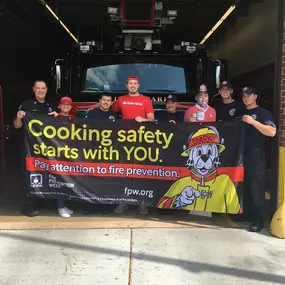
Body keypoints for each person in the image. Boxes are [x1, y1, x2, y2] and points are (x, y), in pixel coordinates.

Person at [13, 80, 58, 217]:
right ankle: (28, 207)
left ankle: (43, 203)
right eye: (38, 88)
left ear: (46, 89)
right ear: (33, 89)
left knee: (47, 174)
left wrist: (57, 118)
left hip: (46, 149)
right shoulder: (26, 104)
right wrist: (19, 117)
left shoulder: (51, 105)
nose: (40, 90)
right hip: (29, 147)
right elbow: (16, 125)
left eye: (43, 88)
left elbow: (59, 129)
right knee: (29, 176)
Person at [112, 75, 155, 214]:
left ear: (138, 85)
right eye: (130, 83)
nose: (132, 86)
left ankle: (141, 203)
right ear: (126, 86)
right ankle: (123, 202)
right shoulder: (121, 100)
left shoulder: (145, 100)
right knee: (124, 172)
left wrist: (143, 119)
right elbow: (109, 112)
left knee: (140, 173)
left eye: (135, 83)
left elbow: (152, 120)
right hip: (124, 142)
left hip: (141, 142)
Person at [240, 86, 276, 232]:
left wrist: (253, 122)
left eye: (248, 95)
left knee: (257, 187)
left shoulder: (262, 113)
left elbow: (272, 132)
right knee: (244, 186)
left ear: (255, 96)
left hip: (256, 154)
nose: (245, 98)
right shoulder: (241, 112)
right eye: (243, 96)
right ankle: (247, 214)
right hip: (241, 155)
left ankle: (258, 220)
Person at [84, 94, 118, 215]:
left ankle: (105, 205)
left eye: (108, 100)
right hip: (93, 150)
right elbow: (83, 129)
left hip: (109, 152)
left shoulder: (115, 115)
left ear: (111, 102)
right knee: (92, 178)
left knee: (106, 179)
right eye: (104, 100)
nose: (106, 102)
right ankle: (91, 206)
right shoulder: (92, 113)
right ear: (99, 101)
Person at [56, 96, 74, 218]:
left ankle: (64, 205)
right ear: (60, 105)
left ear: (71, 107)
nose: (66, 106)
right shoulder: (54, 117)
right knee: (59, 181)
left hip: (69, 154)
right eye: (64, 104)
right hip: (57, 154)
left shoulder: (73, 119)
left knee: (67, 181)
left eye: (68, 105)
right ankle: (60, 206)